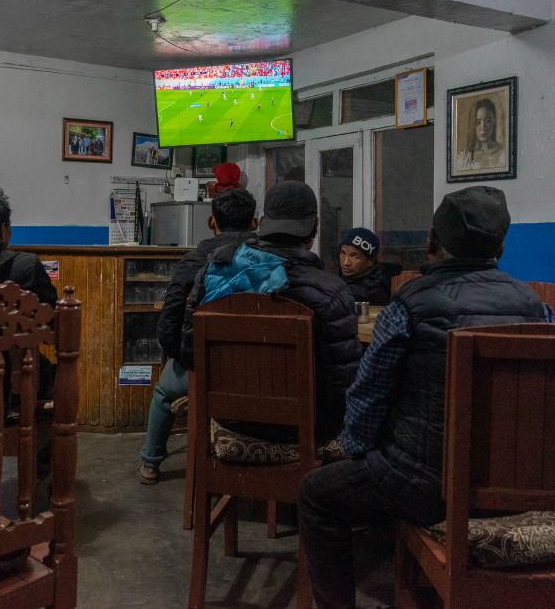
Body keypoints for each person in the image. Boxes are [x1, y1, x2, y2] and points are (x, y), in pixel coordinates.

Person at [297, 186, 555, 609]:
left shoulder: (410, 303)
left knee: (316, 494)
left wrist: (358, 450)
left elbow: (369, 394)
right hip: (513, 485)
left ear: (434, 240)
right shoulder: (536, 307)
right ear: (502, 242)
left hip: (422, 486)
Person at [180, 181, 363, 445]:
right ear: (313, 229)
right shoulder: (331, 292)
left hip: (226, 418)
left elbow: (189, 355)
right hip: (302, 430)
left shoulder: (214, 271)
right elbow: (342, 387)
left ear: (263, 223)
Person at [137, 188, 257, 484]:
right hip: (259, 371)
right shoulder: (269, 259)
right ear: (254, 223)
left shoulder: (194, 261)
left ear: (211, 222)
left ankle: (151, 464)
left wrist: (180, 355)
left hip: (202, 368)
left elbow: (169, 320)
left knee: (164, 393)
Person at [337, 227, 400, 306]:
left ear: (370, 261)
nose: (346, 262)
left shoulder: (375, 292)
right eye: (343, 253)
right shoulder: (335, 280)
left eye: (354, 257)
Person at [458, 98, 505, 171]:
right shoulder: (465, 157)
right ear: (473, 124)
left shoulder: (504, 152)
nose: (483, 127)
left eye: (488, 121)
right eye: (478, 122)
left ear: (494, 121)